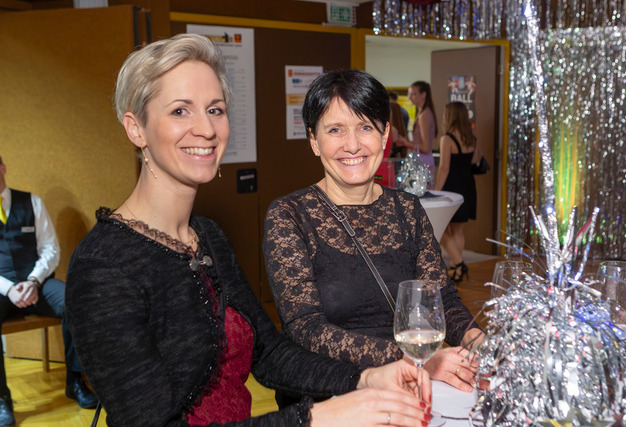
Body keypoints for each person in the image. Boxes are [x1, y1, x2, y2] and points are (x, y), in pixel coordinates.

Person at [65, 34, 431, 427]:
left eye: (215, 109)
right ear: (136, 129)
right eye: (180, 111)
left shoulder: (207, 236)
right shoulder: (103, 266)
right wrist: (315, 417)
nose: (206, 128)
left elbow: (269, 354)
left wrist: (364, 378)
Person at [263, 70, 485, 410]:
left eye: (365, 127)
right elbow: (305, 328)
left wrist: (479, 343)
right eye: (335, 130)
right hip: (331, 397)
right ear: (314, 140)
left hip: (410, 389)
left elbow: (443, 299)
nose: (352, 145)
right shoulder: (290, 215)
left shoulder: (408, 209)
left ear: (384, 135)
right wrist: (416, 358)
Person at [0, 155, 97, 426]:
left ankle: (75, 381)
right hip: (3, 288)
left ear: (3, 167)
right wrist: (10, 289)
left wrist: (33, 281)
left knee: (75, 301)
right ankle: (2, 399)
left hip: (37, 283)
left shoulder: (32, 202)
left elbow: (51, 249)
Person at [435, 102, 482, 283]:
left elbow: (444, 168)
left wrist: (436, 191)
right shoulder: (471, 138)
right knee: (458, 230)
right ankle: (457, 267)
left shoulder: (447, 139)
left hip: (451, 187)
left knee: (441, 228)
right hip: (468, 186)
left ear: (450, 116)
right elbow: (475, 161)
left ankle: (458, 263)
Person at [396, 81, 438, 171]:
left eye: (413, 94)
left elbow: (425, 148)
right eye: (409, 94)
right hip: (422, 161)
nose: (410, 97)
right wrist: (406, 142)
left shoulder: (424, 115)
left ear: (423, 95)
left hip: (423, 162)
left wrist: (407, 143)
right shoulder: (422, 113)